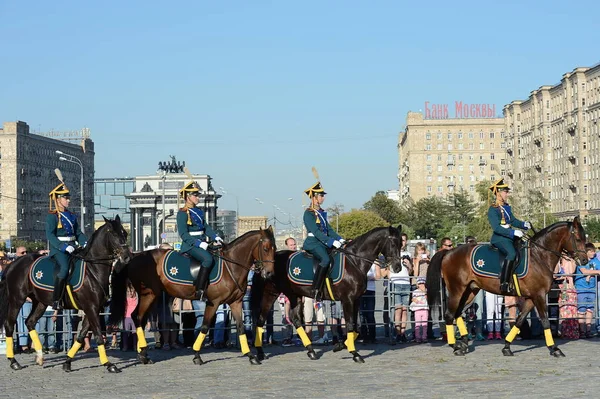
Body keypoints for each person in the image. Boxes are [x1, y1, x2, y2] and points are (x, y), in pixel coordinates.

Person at [176, 180, 224, 300]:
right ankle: (200, 290)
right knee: (207, 259)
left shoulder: (198, 211)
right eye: (195, 195)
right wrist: (198, 243)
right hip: (190, 245)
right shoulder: (182, 213)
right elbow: (183, 234)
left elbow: (206, 227)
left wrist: (215, 237)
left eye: (198, 195)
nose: (198, 197)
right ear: (188, 197)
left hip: (203, 242)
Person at [46, 179, 87, 310]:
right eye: (66, 198)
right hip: (59, 250)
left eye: (68, 198)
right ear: (58, 199)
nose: (68, 200)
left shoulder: (71, 215)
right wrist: (63, 247)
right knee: (64, 269)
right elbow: (50, 235)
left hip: (73, 247)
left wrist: (85, 242)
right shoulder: (52, 216)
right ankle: (56, 300)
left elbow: (78, 232)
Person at [302, 174, 345, 301]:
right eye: (321, 195)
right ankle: (316, 289)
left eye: (323, 195)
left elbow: (329, 229)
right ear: (314, 198)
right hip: (313, 243)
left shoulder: (321, 212)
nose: (323, 198)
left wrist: (340, 239)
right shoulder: (308, 213)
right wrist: (331, 241)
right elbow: (316, 231)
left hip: (322, 242)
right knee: (325, 259)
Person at [487, 178, 531, 295]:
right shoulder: (493, 209)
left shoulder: (506, 207)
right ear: (498, 193)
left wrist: (524, 225)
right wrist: (513, 233)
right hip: (499, 238)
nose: (507, 194)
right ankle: (504, 282)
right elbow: (496, 228)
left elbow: (513, 221)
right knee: (511, 253)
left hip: (508, 237)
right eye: (505, 192)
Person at [574, 243, 600, 338]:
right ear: (587, 252)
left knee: (590, 310)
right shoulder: (581, 261)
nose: (593, 253)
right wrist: (596, 272)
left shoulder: (596, 261)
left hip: (592, 288)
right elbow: (584, 271)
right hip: (581, 288)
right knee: (581, 310)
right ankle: (582, 331)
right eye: (591, 251)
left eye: (594, 251)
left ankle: (588, 330)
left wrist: (593, 273)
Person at [410, 277, 429, 343]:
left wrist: (424, 292)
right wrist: (417, 301)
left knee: (424, 324)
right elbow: (413, 299)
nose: (421, 285)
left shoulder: (426, 290)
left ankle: (424, 337)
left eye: (423, 283)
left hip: (425, 309)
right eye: (420, 284)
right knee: (417, 324)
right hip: (417, 309)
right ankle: (417, 337)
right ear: (417, 285)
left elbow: (427, 298)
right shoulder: (415, 291)